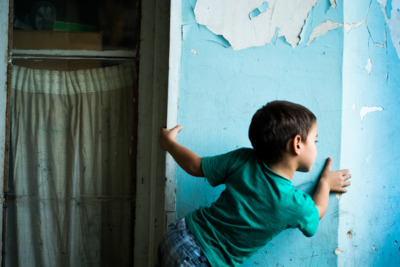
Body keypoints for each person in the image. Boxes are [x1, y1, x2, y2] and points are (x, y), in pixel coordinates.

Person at [157, 100, 351, 267]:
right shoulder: (295, 204)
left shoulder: (243, 158)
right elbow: (316, 213)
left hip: (179, 235)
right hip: (201, 260)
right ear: (297, 144)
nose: (316, 147)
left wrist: (169, 144)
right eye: (315, 140)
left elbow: (195, 166)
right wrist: (325, 184)